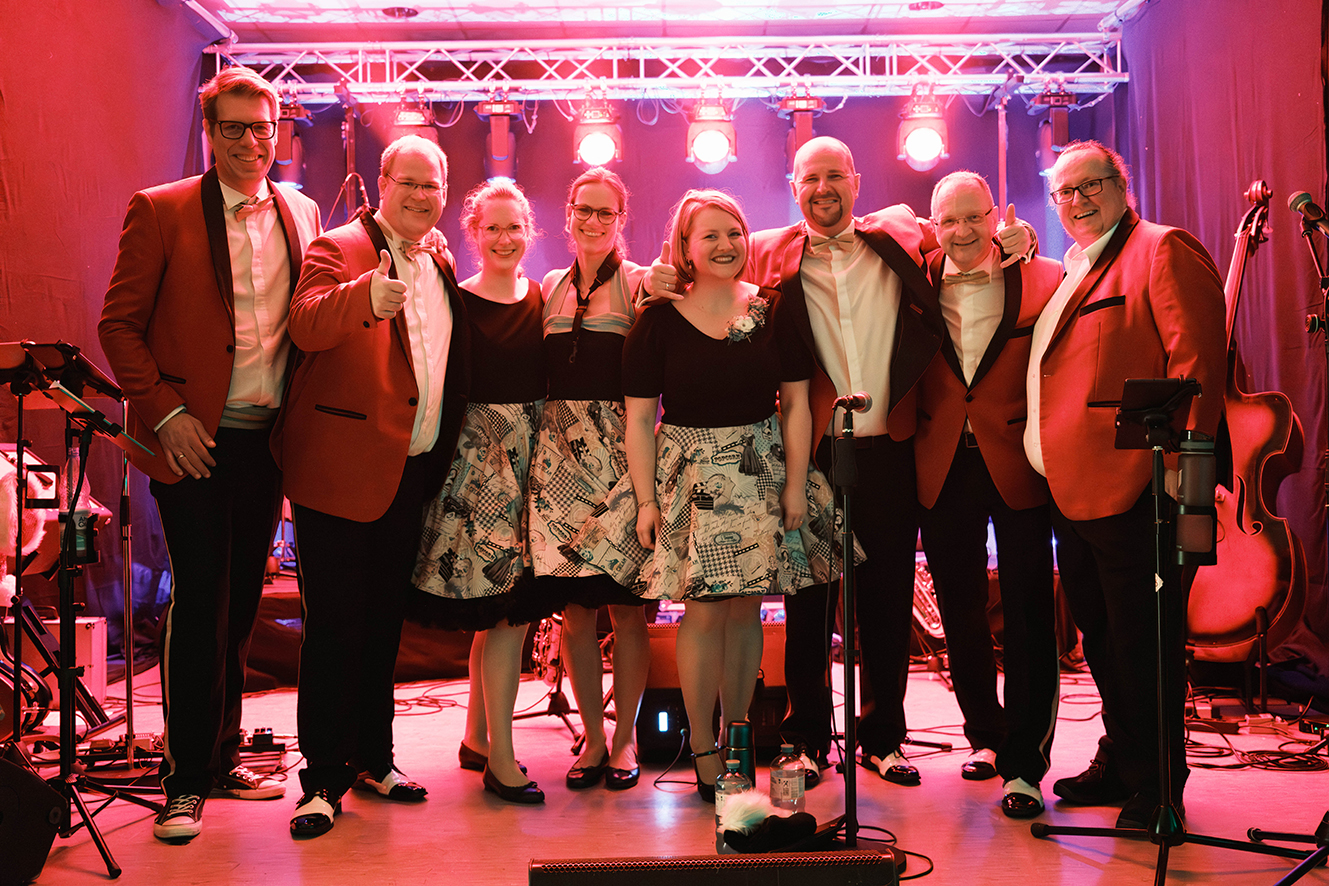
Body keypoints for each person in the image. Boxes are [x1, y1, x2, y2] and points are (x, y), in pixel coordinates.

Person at [646, 136, 1032, 786]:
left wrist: (1014, 240)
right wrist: (649, 279)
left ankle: (882, 738)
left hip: (892, 444)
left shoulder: (901, 230)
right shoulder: (764, 247)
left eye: (834, 175)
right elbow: (703, 264)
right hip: (813, 448)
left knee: (886, 600)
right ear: (794, 188)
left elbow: (962, 240)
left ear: (855, 180)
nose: (822, 188)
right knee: (808, 605)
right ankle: (805, 740)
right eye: (809, 179)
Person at [98, 66, 321, 843]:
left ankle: (223, 759)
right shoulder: (159, 210)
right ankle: (183, 780)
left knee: (241, 607)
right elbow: (118, 326)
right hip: (191, 441)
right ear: (209, 134)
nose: (252, 142)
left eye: (263, 128)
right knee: (200, 604)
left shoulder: (301, 209)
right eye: (234, 128)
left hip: (268, 441)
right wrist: (167, 415)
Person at [569, 189, 845, 801]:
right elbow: (639, 419)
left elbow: (798, 403)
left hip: (760, 471)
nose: (725, 245)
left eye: (734, 232)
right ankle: (702, 748)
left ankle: (737, 735)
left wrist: (796, 483)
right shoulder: (658, 320)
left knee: (747, 609)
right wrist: (646, 501)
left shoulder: (774, 308)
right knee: (704, 611)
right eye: (710, 236)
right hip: (690, 480)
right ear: (685, 248)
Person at [270, 134, 469, 838]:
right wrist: (365, 297)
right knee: (334, 629)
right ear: (381, 183)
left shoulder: (440, 259)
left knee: (383, 625)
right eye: (406, 182)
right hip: (339, 471)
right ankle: (322, 779)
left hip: (409, 471)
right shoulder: (340, 246)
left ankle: (374, 759)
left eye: (431, 185)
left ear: (444, 193)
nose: (419, 195)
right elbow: (304, 323)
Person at [1027, 140, 1225, 829]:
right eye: (1065, 192)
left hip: (1140, 487)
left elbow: (1196, 366)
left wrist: (1184, 474)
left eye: (1091, 185)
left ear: (1122, 184)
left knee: (1145, 645)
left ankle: (1158, 786)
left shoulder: (1160, 249)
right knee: (1104, 641)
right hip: (1074, 491)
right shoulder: (1074, 265)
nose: (1077, 200)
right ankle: (1122, 758)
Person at [913, 171, 1063, 818]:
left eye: (974, 217)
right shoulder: (913, 276)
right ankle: (985, 734)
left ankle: (1025, 762)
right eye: (948, 220)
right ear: (932, 226)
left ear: (996, 216)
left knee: (1028, 609)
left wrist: (1025, 243)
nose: (962, 231)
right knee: (960, 610)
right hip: (941, 459)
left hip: (1017, 458)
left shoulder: (1043, 276)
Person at [409, 180, 549, 804]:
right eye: (491, 227)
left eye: (514, 226)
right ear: (473, 232)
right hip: (477, 469)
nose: (504, 238)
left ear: (529, 231)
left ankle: (476, 738)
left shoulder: (541, 296)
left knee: (504, 615)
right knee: (503, 614)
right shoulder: (457, 300)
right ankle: (503, 761)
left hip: (531, 465)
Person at [527, 168, 651, 791]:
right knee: (576, 614)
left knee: (628, 613)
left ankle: (626, 740)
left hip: (623, 462)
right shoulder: (548, 286)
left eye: (607, 212)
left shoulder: (640, 282)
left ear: (620, 220)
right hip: (559, 468)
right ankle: (594, 740)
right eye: (585, 210)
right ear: (569, 213)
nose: (594, 221)